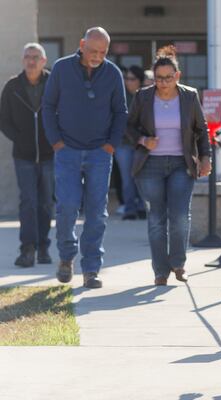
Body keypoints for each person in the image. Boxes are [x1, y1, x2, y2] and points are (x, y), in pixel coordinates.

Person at [42, 27, 128, 289]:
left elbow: (121, 112)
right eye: (93, 51)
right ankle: (67, 257)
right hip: (67, 151)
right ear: (81, 44)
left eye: (103, 52)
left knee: (96, 213)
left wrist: (111, 145)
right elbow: (48, 105)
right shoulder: (61, 68)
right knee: (67, 206)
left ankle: (91, 269)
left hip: (99, 154)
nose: (97, 56)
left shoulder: (113, 73)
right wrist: (56, 142)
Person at [127, 46, 211, 286]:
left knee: (180, 216)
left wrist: (206, 157)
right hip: (150, 165)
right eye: (159, 78)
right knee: (156, 218)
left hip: (180, 164)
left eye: (168, 78)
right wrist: (144, 140)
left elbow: (201, 129)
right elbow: (128, 127)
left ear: (177, 76)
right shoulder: (142, 97)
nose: (163, 83)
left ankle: (179, 263)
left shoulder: (188, 96)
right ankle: (160, 271)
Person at [0, 43, 54, 267]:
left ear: (43, 60)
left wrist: (56, 138)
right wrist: (19, 138)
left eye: (35, 57)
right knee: (28, 201)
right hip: (23, 155)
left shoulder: (53, 83)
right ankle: (28, 249)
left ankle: (43, 247)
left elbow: (63, 112)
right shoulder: (12, 86)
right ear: (23, 60)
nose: (31, 61)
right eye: (27, 57)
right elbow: (3, 119)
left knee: (46, 203)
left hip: (50, 153)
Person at [116, 65, 146, 220]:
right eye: (126, 78)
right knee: (127, 178)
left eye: (132, 79)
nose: (128, 82)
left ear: (139, 80)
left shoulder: (145, 96)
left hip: (142, 144)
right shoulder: (120, 96)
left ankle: (142, 207)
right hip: (123, 143)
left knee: (141, 177)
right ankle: (130, 209)